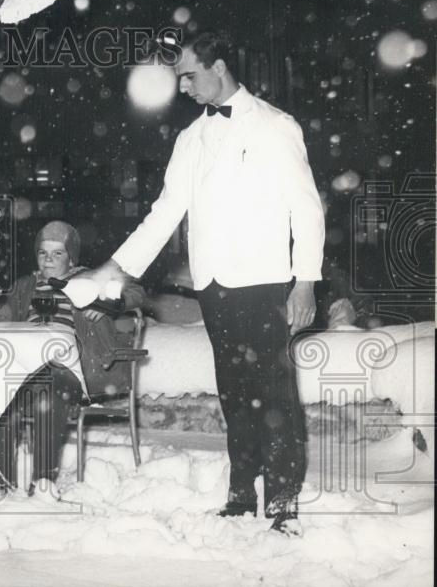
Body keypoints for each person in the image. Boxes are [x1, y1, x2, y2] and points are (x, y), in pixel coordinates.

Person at [70, 32, 324, 535]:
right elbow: (165, 213)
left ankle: (282, 500)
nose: (182, 86)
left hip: (267, 281)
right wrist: (117, 267)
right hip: (215, 285)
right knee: (234, 390)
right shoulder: (191, 138)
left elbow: (307, 210)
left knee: (274, 393)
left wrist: (306, 283)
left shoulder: (276, 127)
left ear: (220, 66)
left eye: (189, 74)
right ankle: (239, 493)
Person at [0, 221, 145, 499]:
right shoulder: (26, 285)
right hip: (25, 367)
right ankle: (2, 484)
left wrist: (109, 302)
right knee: (0, 397)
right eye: (43, 253)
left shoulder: (88, 280)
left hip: (72, 369)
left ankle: (43, 483)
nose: (48, 260)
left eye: (57, 253)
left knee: (48, 396)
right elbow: (0, 320)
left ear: (72, 258)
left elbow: (136, 291)